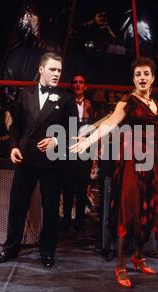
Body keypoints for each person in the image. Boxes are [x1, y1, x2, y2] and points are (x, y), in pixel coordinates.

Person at [70, 57, 158, 288]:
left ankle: (138, 257)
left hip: (150, 164)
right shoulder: (127, 102)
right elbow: (109, 124)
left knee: (148, 209)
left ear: (153, 78)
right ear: (133, 78)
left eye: (145, 74)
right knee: (128, 209)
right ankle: (121, 265)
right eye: (137, 74)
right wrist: (88, 140)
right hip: (131, 163)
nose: (142, 78)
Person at [0, 52, 77, 268]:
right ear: (41, 69)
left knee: (50, 209)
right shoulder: (25, 94)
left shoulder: (67, 98)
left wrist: (56, 141)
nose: (57, 73)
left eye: (59, 70)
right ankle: (10, 248)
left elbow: (74, 131)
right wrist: (13, 148)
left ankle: (47, 251)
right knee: (17, 205)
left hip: (52, 161)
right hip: (26, 159)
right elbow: (15, 127)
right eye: (52, 69)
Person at [60, 75, 94, 233]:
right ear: (71, 86)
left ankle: (79, 221)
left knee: (82, 186)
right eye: (75, 82)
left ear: (85, 86)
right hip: (68, 147)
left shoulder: (92, 104)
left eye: (81, 82)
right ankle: (66, 219)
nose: (78, 85)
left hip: (86, 148)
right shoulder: (66, 102)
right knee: (67, 186)